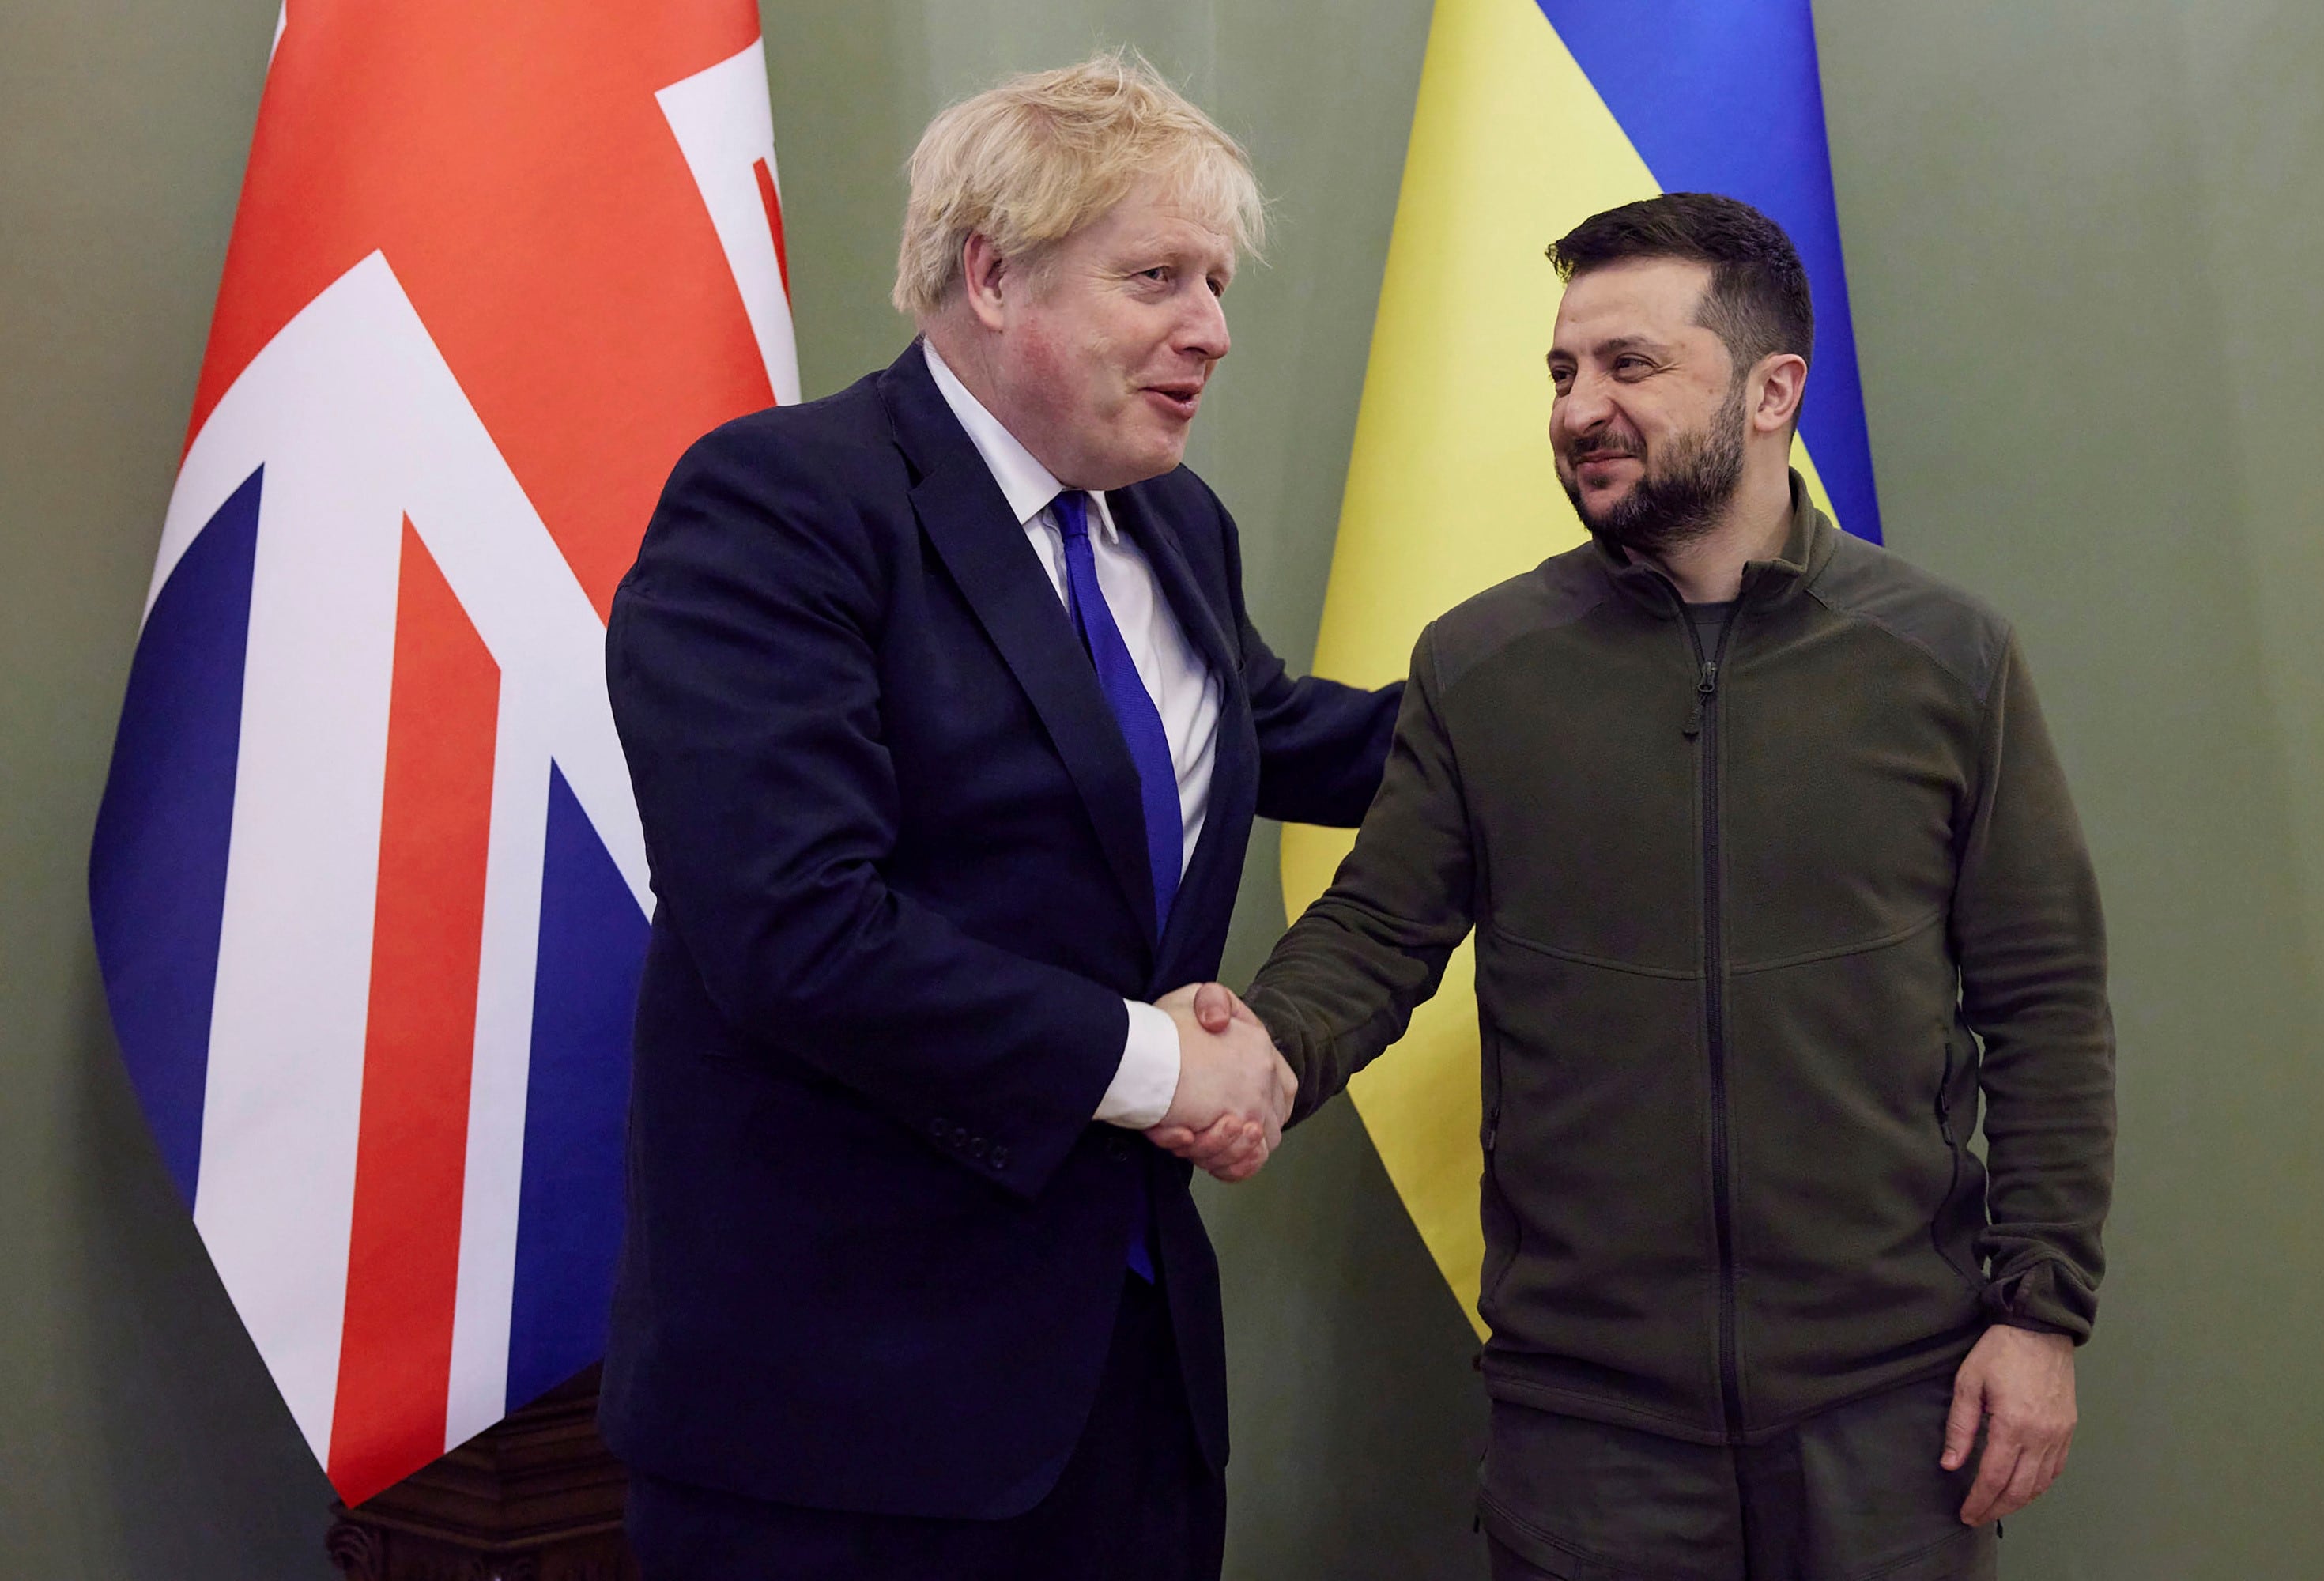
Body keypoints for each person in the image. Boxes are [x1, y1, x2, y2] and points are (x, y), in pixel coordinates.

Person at [1170, 193, 2115, 1579]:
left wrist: (2042, 1316)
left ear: (1773, 390)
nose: (1579, 407)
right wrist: (1256, 1054)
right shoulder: (1484, 664)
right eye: (1562, 371)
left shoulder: (1946, 659)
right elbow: (1376, 934)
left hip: (1890, 1420)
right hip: (1588, 1432)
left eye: (1630, 366)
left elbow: (2045, 1004)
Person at [597, 54, 1402, 1581]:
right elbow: (793, 929)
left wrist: (1573, 687)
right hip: (841, 1425)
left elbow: (1272, 735)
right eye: (1157, 276)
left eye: (1217, 283)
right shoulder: (785, 504)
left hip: (1125, 1392)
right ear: (990, 276)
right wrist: (1172, 1066)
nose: (1212, 331)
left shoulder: (1171, 518)